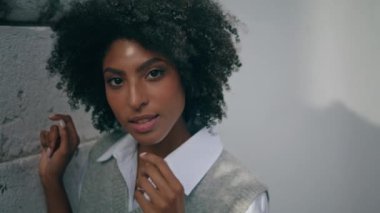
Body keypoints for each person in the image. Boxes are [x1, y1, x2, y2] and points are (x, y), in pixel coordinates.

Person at [39, 0, 269, 212]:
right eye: (116, 81)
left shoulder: (240, 200)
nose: (134, 100)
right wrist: (52, 180)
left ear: (187, 74)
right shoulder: (103, 156)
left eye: (154, 73)